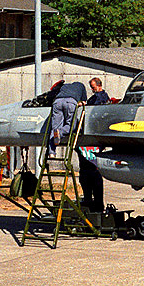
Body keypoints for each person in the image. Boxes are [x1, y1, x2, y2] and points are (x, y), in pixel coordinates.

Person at [78, 78, 109, 213]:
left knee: (89, 181)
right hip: (93, 164)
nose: (92, 89)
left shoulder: (99, 98)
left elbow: (91, 109)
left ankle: (93, 208)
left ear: (99, 86)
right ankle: (95, 208)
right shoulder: (99, 97)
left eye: (93, 87)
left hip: (91, 165)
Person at [49, 80, 87, 153]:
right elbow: (84, 102)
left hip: (57, 102)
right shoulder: (81, 86)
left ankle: (51, 152)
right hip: (70, 102)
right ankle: (60, 132)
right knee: (72, 126)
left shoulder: (65, 86)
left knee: (54, 128)